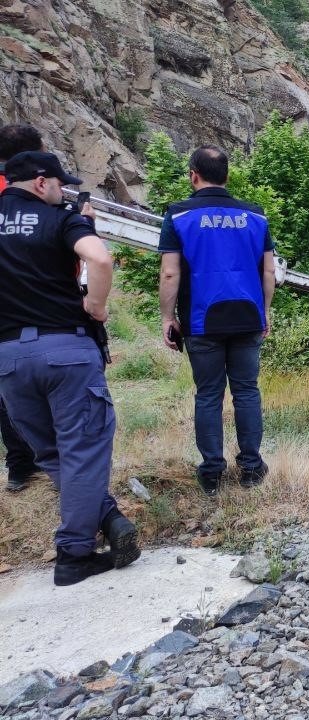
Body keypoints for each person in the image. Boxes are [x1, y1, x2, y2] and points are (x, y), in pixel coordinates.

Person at [0, 150, 140, 586]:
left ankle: (108, 516)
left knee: (52, 454)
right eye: (61, 184)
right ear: (41, 182)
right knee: (82, 450)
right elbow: (99, 259)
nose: (64, 191)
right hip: (66, 349)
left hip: (8, 357)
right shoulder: (61, 219)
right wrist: (95, 307)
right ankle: (74, 554)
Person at [159, 145, 275, 496]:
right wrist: (266, 311)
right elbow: (269, 270)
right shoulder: (255, 215)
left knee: (208, 395)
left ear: (193, 175)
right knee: (247, 391)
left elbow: (170, 273)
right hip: (248, 317)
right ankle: (251, 468)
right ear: (227, 175)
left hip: (201, 321)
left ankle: (211, 473)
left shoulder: (178, 215)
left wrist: (167, 317)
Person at [0, 124, 44, 492]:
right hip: (43, 302)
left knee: (7, 389)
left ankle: (19, 467)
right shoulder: (38, 192)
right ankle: (55, 462)